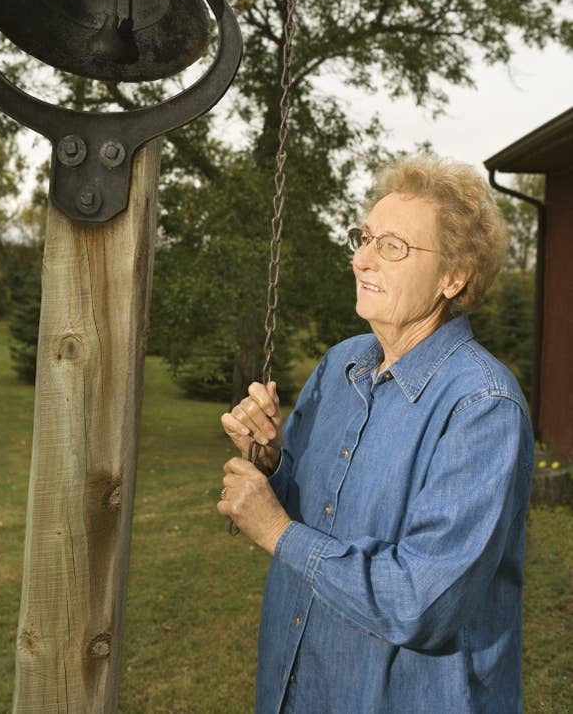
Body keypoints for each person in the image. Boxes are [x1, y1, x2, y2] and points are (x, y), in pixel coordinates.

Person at [218, 156, 533, 714]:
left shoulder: (483, 406)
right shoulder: (341, 365)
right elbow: (313, 512)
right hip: (297, 684)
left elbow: (421, 603)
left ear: (453, 276)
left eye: (393, 247)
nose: (362, 259)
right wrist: (269, 464)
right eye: (364, 238)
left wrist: (275, 531)